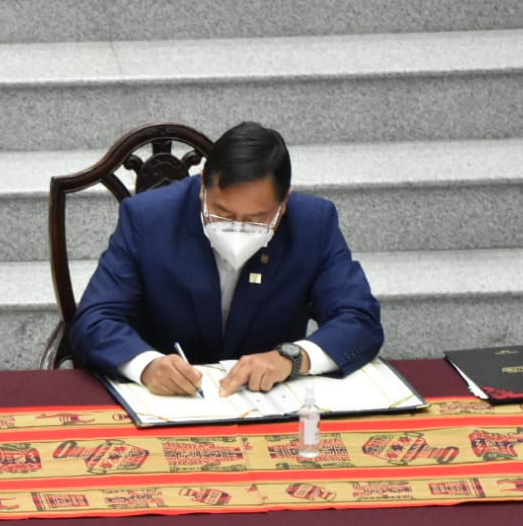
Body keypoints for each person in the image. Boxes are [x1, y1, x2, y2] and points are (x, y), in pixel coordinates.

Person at [70, 121, 383, 396]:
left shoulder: (313, 223)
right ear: (203, 186)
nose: (238, 228)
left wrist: (293, 358)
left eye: (256, 219)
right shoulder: (149, 219)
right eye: (223, 213)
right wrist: (147, 364)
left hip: (268, 400)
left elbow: (359, 319)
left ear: (284, 202)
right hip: (168, 402)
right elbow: (95, 320)